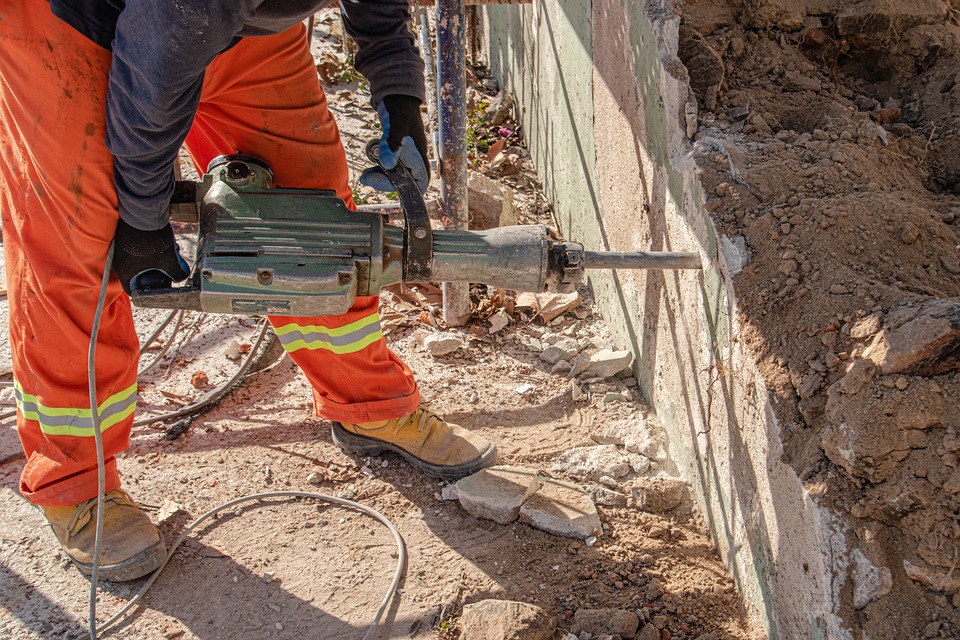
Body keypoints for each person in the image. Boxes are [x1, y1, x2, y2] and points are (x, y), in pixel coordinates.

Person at [0, 0, 497, 583]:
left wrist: (397, 86)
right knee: (78, 250)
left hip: (230, 24)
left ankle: (369, 403)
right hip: (78, 27)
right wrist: (142, 215)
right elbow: (156, 66)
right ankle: (74, 481)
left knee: (317, 216)